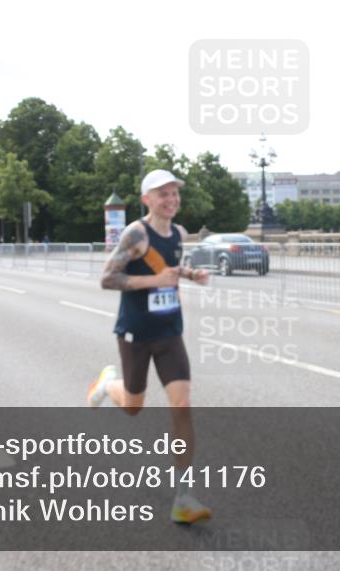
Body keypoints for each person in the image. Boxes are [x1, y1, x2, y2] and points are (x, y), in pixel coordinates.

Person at [87, 169, 213, 524]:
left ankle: (183, 497)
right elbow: (107, 278)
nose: (171, 200)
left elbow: (171, 265)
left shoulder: (179, 233)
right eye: (163, 194)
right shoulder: (135, 233)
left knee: (182, 405)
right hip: (136, 332)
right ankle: (107, 385)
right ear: (147, 199)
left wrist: (190, 275)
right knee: (132, 406)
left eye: (174, 193)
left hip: (170, 331)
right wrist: (154, 280)